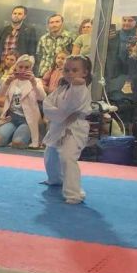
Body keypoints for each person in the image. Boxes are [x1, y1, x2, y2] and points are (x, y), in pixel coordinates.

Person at [43, 55, 94, 204]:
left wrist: (61, 113)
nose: (70, 73)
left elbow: (71, 106)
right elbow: (47, 104)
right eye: (66, 70)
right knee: (50, 155)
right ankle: (55, 179)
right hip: (58, 126)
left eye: (74, 70)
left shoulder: (82, 89)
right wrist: (61, 115)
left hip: (75, 128)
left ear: (85, 73)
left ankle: (74, 194)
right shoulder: (61, 89)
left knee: (67, 157)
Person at [0, 54, 45, 149]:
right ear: (16, 67)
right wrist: (7, 82)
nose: (23, 70)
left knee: (18, 144)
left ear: (31, 68)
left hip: (27, 120)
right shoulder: (11, 80)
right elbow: (0, 94)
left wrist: (33, 82)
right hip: (11, 118)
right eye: (20, 67)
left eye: (26, 67)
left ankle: (25, 137)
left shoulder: (36, 81)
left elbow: (42, 97)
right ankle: (11, 135)